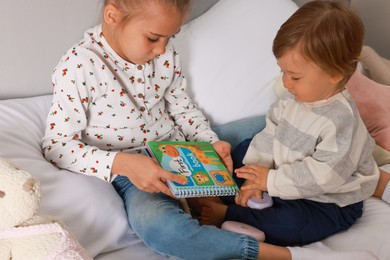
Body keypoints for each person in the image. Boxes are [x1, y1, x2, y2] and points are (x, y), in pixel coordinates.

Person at [41, 0, 379, 259]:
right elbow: (57, 146)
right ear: (113, 15)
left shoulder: (164, 54)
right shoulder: (79, 66)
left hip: (181, 148)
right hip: (132, 167)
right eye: (154, 38)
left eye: (169, 38)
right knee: (160, 228)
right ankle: (273, 253)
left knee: (278, 123)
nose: (162, 49)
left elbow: (181, 108)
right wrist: (122, 165)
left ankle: (369, 174)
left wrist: (211, 142)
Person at [198, 0, 382, 258]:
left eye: (294, 76)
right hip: (284, 175)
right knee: (243, 150)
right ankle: (237, 192)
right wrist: (255, 178)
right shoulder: (293, 98)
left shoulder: (340, 121)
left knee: (294, 225)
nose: (286, 82)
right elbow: (270, 133)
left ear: (336, 73)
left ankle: (230, 213)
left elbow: (322, 177)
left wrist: (269, 181)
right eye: (282, 72)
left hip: (327, 200)